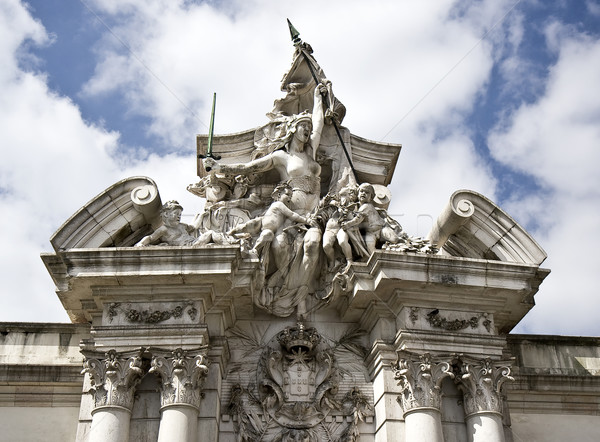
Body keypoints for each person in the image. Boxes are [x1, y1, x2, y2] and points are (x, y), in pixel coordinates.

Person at [228, 183, 311, 256]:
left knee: (267, 235)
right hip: (260, 222)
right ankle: (232, 231)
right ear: (278, 195)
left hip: (268, 229)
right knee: (247, 225)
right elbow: (292, 215)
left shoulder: (281, 206)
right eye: (287, 194)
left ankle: (255, 249)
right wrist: (306, 220)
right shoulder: (279, 204)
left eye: (291, 196)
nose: (290, 198)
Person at [136, 201, 201, 247]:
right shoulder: (164, 229)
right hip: (189, 245)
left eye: (180, 214)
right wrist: (141, 243)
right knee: (210, 234)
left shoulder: (182, 226)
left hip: (194, 242)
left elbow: (194, 226)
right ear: (166, 214)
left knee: (209, 234)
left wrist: (201, 215)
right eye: (176, 213)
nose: (179, 216)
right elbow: (151, 238)